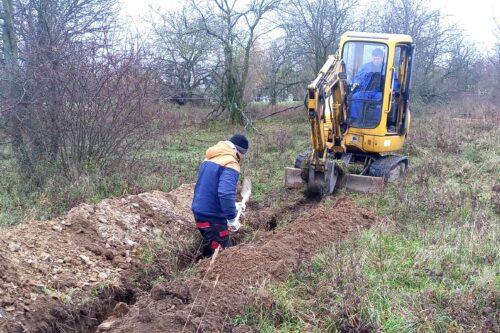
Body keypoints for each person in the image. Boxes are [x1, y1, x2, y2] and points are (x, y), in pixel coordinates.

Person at [191, 133, 249, 257]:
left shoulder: (210, 158)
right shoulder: (231, 163)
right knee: (222, 254)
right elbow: (225, 193)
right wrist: (232, 218)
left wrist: (233, 205)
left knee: (213, 245)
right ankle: (209, 274)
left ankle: (204, 265)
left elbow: (209, 188)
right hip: (212, 217)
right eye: (243, 156)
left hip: (200, 212)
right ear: (241, 152)